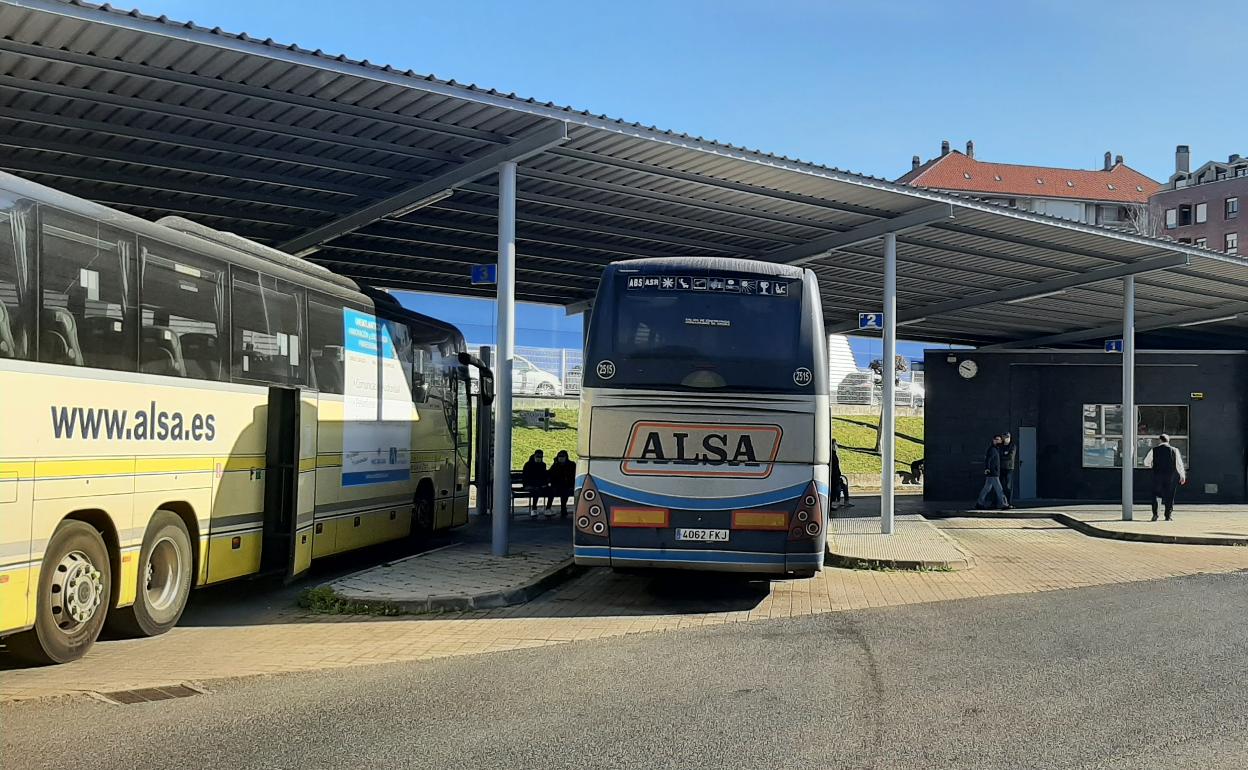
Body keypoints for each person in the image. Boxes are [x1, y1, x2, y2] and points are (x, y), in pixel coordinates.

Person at [1143, 434, 1186, 521]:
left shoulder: (1154, 450)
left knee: (1156, 495)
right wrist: (1182, 475)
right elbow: (1179, 464)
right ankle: (1168, 515)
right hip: (1170, 476)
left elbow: (1146, 462)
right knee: (1169, 496)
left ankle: (1155, 514)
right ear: (1168, 441)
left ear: (1160, 440)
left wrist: (1151, 465)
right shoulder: (1174, 450)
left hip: (1157, 476)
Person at [976, 435, 1007, 510]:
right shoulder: (992, 449)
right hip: (993, 473)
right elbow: (988, 459)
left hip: (993, 473)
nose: (999, 441)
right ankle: (1004, 504)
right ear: (994, 440)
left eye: (1000, 440)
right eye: (997, 439)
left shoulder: (996, 449)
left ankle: (979, 503)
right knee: (999, 489)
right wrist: (987, 468)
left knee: (986, 488)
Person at [548, 450, 576, 518]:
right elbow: (550, 474)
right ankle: (548, 508)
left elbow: (573, 476)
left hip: (567, 485)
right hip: (557, 485)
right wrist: (555, 464)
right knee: (552, 491)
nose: (561, 458)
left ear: (566, 457)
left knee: (565, 492)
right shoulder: (555, 465)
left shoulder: (571, 465)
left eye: (563, 456)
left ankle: (563, 508)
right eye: (559, 456)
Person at [521, 450, 549, 519]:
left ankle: (548, 508)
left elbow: (543, 476)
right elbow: (526, 477)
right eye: (537, 456)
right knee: (536, 491)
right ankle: (534, 509)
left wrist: (544, 484)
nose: (539, 458)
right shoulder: (528, 465)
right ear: (534, 456)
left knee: (551, 490)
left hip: (539, 485)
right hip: (529, 485)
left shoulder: (543, 465)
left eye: (540, 457)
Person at [999, 433, 1017, 509]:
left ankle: (1009, 503)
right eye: (1004, 437)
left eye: (1007, 437)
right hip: (1001, 468)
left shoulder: (1012, 446)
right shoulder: (1001, 445)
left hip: (1009, 468)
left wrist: (1003, 455)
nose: (1005, 438)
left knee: (1008, 486)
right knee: (999, 486)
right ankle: (999, 502)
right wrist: (1004, 454)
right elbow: (999, 454)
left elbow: (1010, 456)